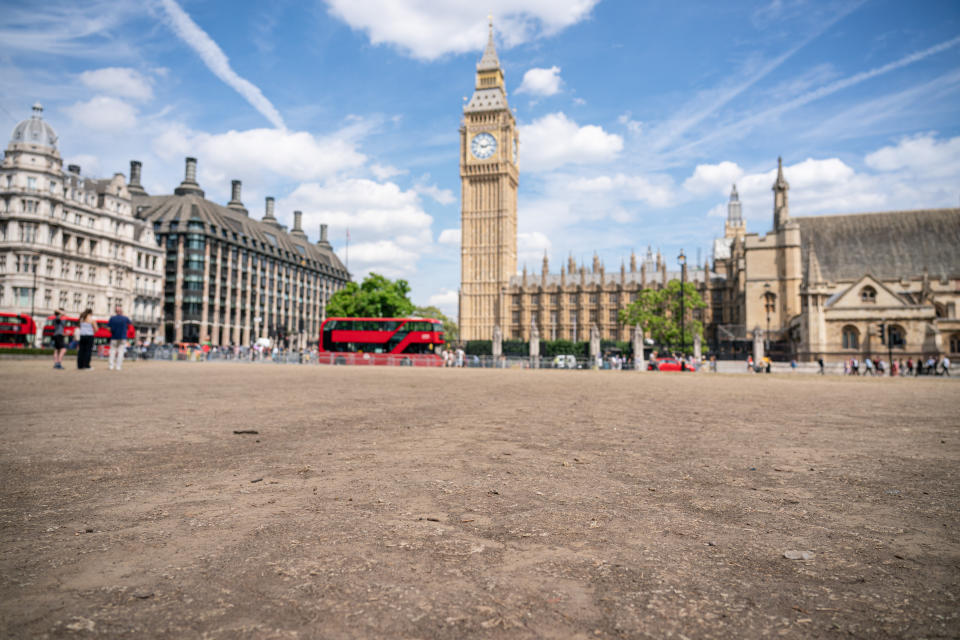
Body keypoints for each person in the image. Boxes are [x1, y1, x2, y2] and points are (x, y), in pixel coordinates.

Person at [107, 305, 132, 371]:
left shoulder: (112, 318)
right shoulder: (125, 318)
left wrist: (112, 331)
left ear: (116, 311)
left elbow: (108, 328)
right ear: (121, 311)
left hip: (114, 337)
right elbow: (129, 325)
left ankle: (111, 366)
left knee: (112, 352)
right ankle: (118, 366)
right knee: (120, 352)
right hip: (122, 337)